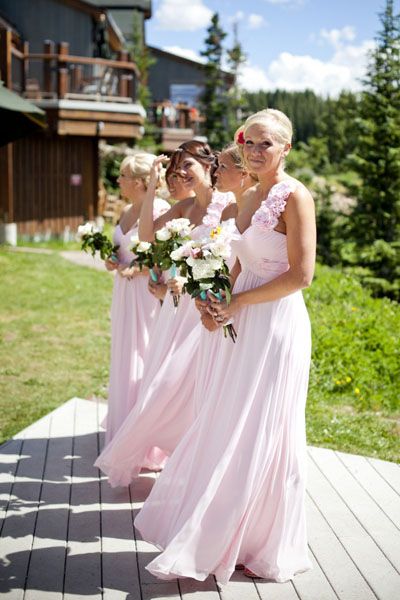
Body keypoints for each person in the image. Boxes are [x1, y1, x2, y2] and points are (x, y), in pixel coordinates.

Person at [134, 109, 316, 584]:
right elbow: (234, 262)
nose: (255, 152)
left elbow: (301, 276)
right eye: (249, 142)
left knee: (262, 426)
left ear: (286, 148)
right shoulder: (244, 197)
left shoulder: (295, 197)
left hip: (276, 323)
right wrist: (212, 306)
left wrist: (237, 302)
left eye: (266, 144)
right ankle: (224, 528)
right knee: (228, 418)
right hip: (239, 317)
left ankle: (259, 540)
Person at [95, 141, 233, 486]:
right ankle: (179, 456)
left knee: (198, 385)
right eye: (174, 170)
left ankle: (200, 462)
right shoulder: (184, 208)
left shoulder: (228, 206)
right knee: (167, 384)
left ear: (209, 164)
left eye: (187, 165)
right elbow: (146, 237)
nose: (180, 174)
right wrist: (154, 183)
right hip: (179, 309)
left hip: (208, 308)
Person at [102, 153, 170, 445]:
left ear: (142, 182)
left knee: (145, 351)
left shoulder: (162, 209)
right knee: (124, 350)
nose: (118, 180)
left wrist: (138, 268)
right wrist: (112, 259)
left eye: (123, 176)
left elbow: (167, 255)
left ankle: (143, 431)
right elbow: (121, 248)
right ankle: (123, 420)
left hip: (147, 294)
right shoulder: (126, 210)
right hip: (124, 292)